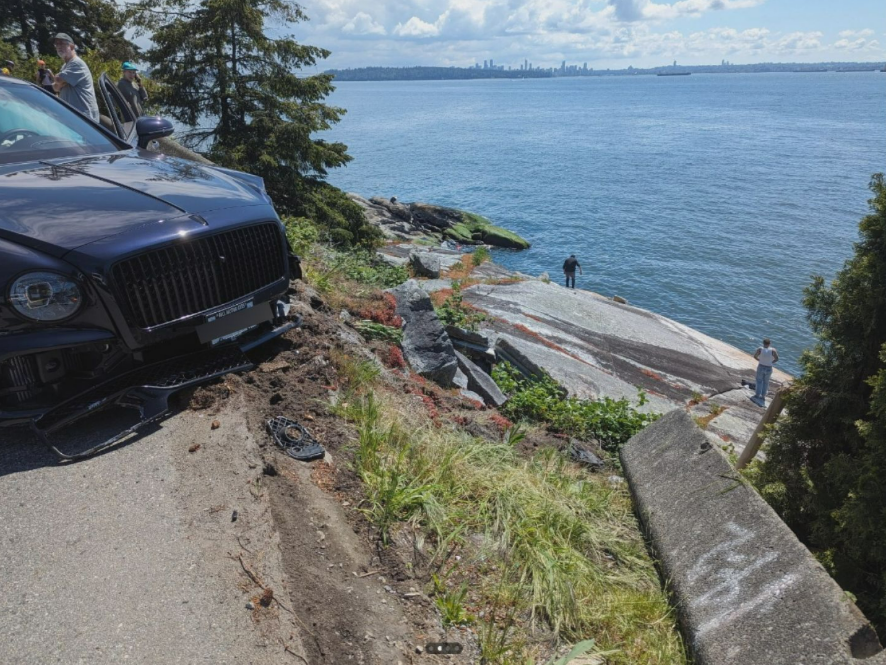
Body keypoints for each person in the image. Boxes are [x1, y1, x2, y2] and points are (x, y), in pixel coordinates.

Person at [51, 33, 100, 122]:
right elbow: (55, 87)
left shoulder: (76, 63)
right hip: (74, 116)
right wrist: (61, 81)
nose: (58, 46)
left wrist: (60, 80)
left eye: (62, 43)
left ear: (72, 47)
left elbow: (58, 79)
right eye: (57, 44)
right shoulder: (65, 66)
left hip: (84, 116)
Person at [752, 338, 779, 404]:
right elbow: (777, 359)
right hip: (769, 368)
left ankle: (757, 395)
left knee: (759, 381)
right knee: (766, 382)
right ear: (769, 344)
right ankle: (763, 396)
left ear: (763, 343)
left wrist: (759, 360)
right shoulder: (773, 350)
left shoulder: (760, 349)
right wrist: (771, 362)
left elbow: (755, 356)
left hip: (761, 366)